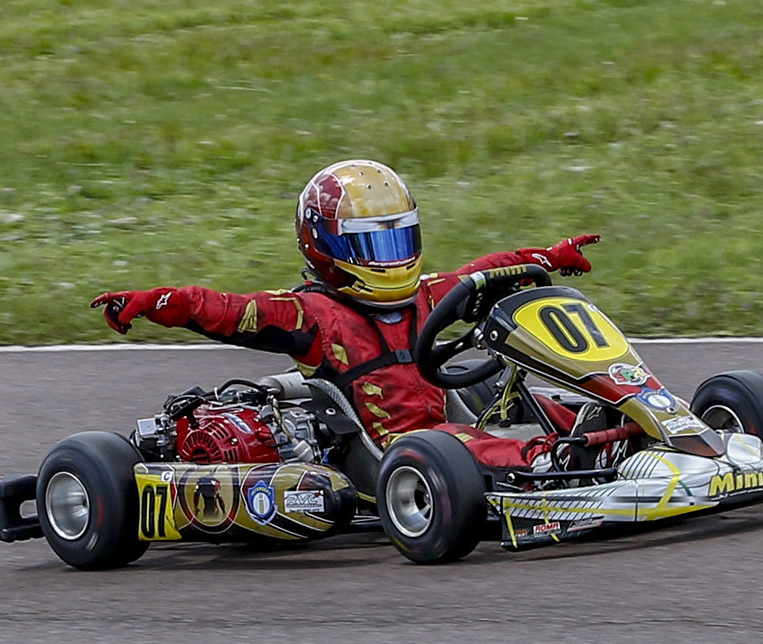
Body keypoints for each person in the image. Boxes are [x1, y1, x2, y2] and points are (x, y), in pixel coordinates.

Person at [92, 159, 599, 464]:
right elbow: (228, 310)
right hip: (395, 453)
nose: (389, 259)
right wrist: (155, 301)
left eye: (397, 240)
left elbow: (487, 271)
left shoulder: (426, 294)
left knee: (512, 392)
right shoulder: (312, 314)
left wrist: (548, 257)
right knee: (459, 441)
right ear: (325, 248)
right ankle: (548, 461)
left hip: (442, 430)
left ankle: (609, 430)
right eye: (371, 245)